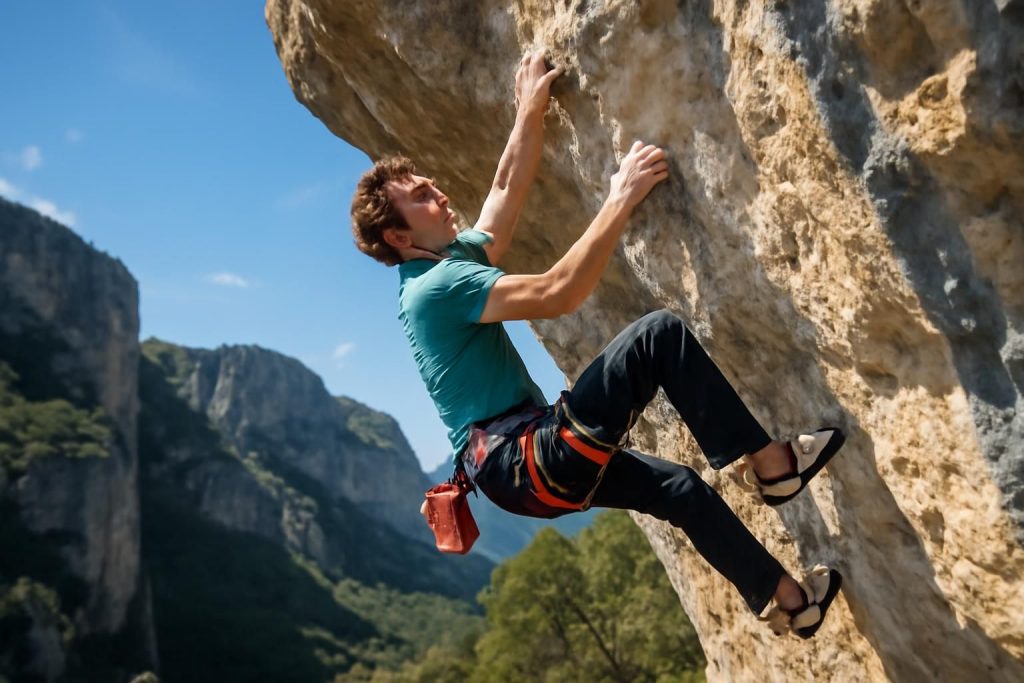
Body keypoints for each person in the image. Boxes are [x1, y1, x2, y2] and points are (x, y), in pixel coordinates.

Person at [348, 51, 844, 638]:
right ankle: (773, 466)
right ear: (399, 235)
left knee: (678, 490)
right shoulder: (436, 287)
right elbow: (558, 291)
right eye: (422, 195)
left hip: (518, 470)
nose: (438, 191)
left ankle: (792, 603)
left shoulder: (442, 263)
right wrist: (621, 196)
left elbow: (504, 191)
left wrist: (527, 108)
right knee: (658, 336)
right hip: (523, 458)